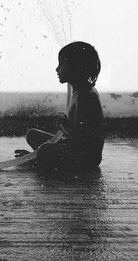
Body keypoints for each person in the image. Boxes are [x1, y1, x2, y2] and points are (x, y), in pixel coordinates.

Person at [15, 41, 105, 173]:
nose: (57, 69)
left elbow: (81, 138)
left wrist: (62, 125)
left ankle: (36, 160)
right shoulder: (76, 90)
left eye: (61, 64)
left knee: (46, 149)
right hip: (73, 147)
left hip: (84, 158)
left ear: (77, 67)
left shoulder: (86, 96)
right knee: (32, 135)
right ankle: (40, 157)